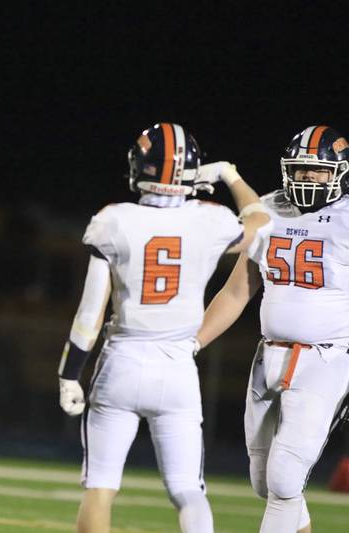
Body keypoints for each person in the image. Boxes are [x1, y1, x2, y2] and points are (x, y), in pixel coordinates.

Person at [57, 122, 271, 533]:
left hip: (121, 360)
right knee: (188, 490)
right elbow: (260, 219)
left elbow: (89, 314)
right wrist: (229, 173)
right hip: (177, 365)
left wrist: (69, 374)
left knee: (100, 487)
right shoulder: (209, 219)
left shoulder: (113, 219)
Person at [197, 125, 349, 533]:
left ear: (339, 172)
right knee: (266, 483)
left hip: (327, 357)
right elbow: (235, 293)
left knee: (285, 477)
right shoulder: (268, 210)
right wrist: (191, 342)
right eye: (299, 170)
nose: (306, 179)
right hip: (269, 355)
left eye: (316, 171)